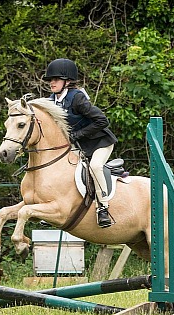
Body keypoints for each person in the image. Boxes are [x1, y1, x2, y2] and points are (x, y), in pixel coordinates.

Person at [43, 58, 118, 228]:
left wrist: (77, 135)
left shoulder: (77, 98)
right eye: (50, 80)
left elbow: (102, 121)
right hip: (80, 146)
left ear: (67, 81)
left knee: (95, 167)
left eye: (56, 79)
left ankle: (103, 208)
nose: (51, 83)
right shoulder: (52, 100)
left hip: (99, 142)